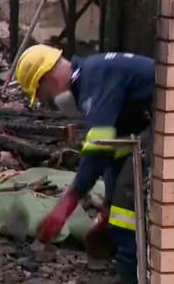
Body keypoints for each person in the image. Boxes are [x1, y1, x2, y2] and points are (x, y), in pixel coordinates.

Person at [15, 45, 154, 284]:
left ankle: (133, 272)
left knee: (127, 203)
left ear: (47, 79)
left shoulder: (94, 78)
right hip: (159, 120)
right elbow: (117, 150)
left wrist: (66, 205)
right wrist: (108, 205)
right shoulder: (92, 77)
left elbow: (97, 153)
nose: (46, 104)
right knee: (122, 200)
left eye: (41, 95)